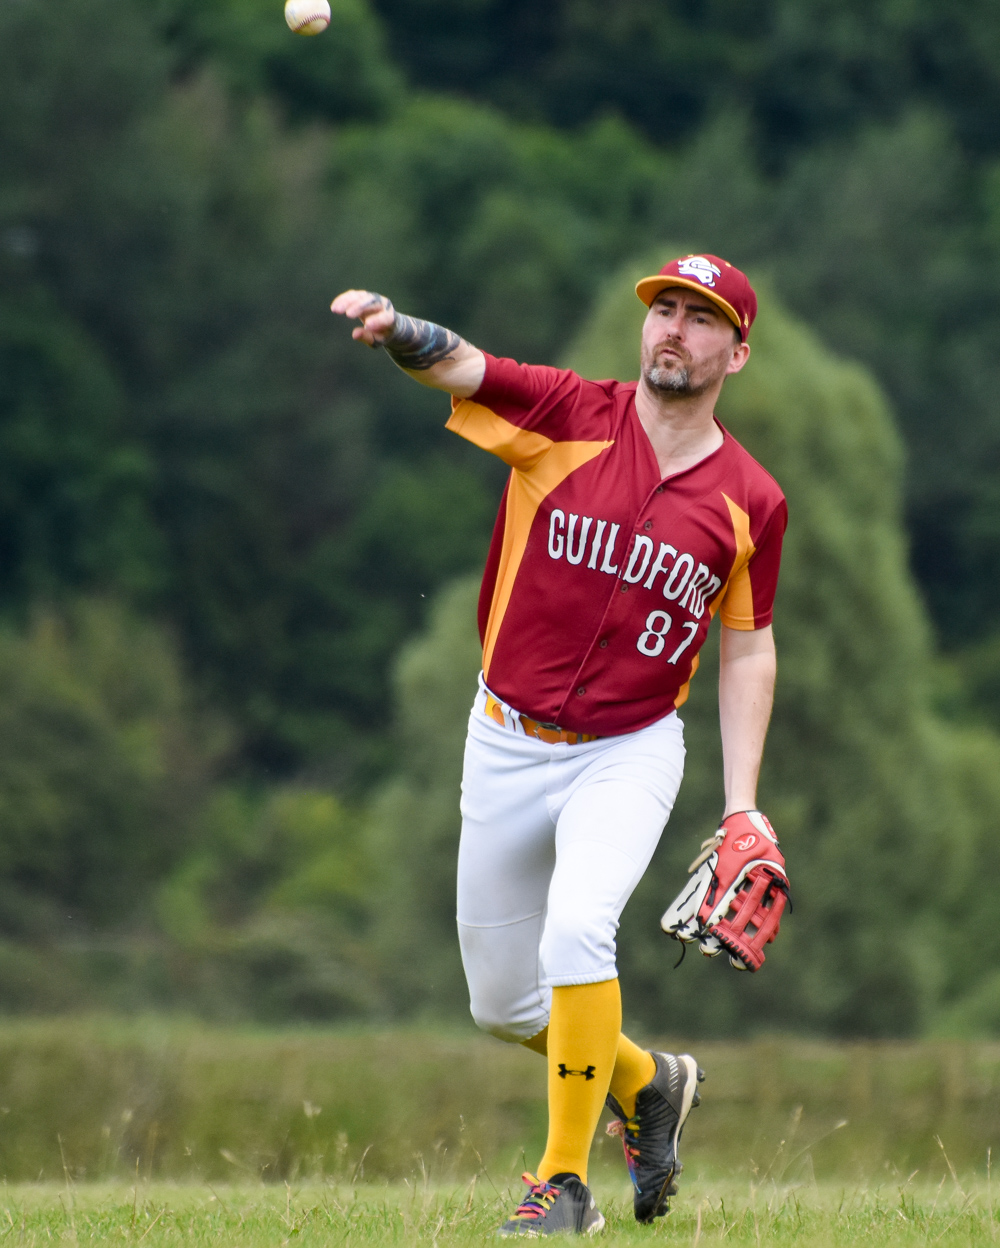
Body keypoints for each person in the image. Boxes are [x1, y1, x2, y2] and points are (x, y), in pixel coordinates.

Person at [331, 254, 786, 1236]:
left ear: (738, 353)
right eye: (664, 308)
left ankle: (562, 1186)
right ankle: (649, 1082)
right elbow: (463, 366)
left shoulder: (752, 500)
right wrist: (397, 329)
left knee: (578, 929)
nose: (675, 328)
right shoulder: (570, 413)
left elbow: (748, 647)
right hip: (503, 736)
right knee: (502, 1007)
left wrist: (742, 804)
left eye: (702, 318)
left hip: (626, 749)